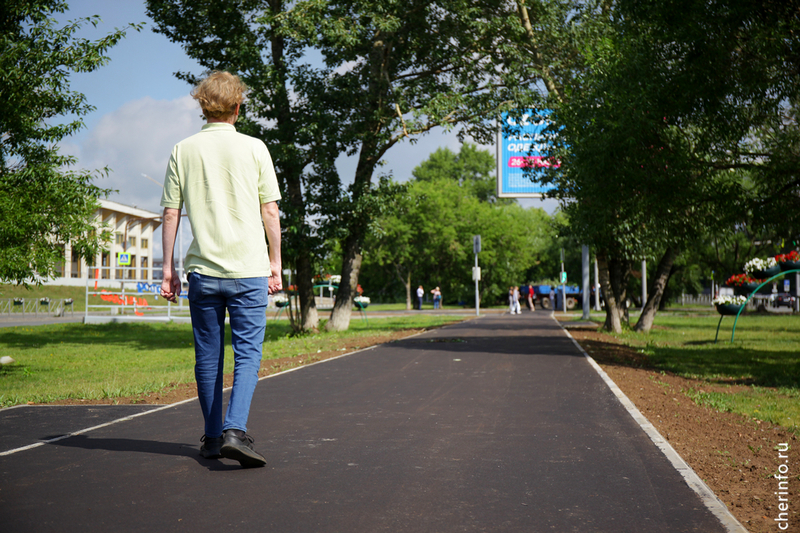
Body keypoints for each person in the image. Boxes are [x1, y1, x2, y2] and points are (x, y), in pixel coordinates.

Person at [160, 71, 282, 468]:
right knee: (247, 355)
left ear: (202, 104)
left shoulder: (183, 149)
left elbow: (170, 213)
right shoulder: (255, 148)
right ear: (237, 106)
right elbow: (269, 211)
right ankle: (234, 431)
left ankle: (213, 438)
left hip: (203, 272)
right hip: (248, 269)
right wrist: (275, 264)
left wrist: (168, 270)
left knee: (207, 357)